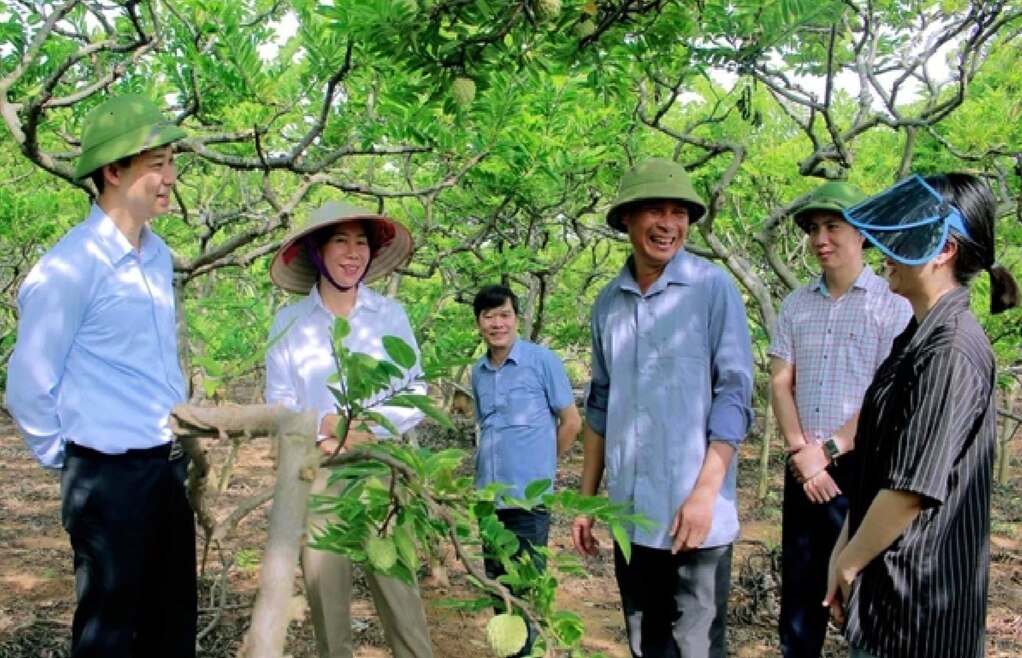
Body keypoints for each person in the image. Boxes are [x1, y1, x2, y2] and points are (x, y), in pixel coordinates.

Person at [6, 95, 196, 658]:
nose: (169, 178)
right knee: (110, 632)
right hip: (107, 474)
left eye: (171, 162)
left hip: (166, 467)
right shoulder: (70, 267)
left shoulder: (157, 256)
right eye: (155, 164)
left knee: (171, 623)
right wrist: (73, 460)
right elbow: (28, 384)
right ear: (113, 172)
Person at [823, 173, 1020, 658]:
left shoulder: (951, 349)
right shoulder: (916, 337)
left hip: (921, 617)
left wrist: (848, 563)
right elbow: (881, 462)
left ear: (943, 249)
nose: (884, 250)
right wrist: (842, 551)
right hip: (890, 596)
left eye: (904, 236)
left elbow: (911, 489)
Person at [570, 158, 755, 658]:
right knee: (644, 645)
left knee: (695, 648)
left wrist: (705, 494)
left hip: (695, 517)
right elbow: (601, 403)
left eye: (679, 213)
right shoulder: (608, 303)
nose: (668, 224)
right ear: (626, 219)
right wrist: (588, 502)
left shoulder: (712, 289)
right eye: (655, 210)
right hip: (631, 517)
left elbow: (735, 395)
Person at [264, 201, 433, 658]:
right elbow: (278, 401)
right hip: (317, 470)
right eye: (341, 240)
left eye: (361, 242)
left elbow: (414, 389)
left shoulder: (389, 315)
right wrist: (323, 425)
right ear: (318, 252)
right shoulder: (290, 324)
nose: (353, 252)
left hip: (380, 465)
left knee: (399, 589)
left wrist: (369, 425)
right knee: (328, 596)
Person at [769, 182, 912, 658]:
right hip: (801, 466)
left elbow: (883, 395)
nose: (820, 239)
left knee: (863, 585)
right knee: (800, 587)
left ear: (862, 234)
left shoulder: (892, 304)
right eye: (814, 229)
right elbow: (780, 382)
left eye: (833, 227)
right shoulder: (795, 304)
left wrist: (827, 451)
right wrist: (800, 453)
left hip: (861, 468)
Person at [470, 284, 582, 656]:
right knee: (499, 589)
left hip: (527, 502)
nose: (497, 323)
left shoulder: (542, 361)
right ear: (479, 323)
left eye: (504, 315)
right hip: (489, 501)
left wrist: (542, 467)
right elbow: (487, 427)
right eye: (489, 316)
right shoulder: (478, 373)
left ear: (517, 319)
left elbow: (570, 422)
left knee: (527, 591)